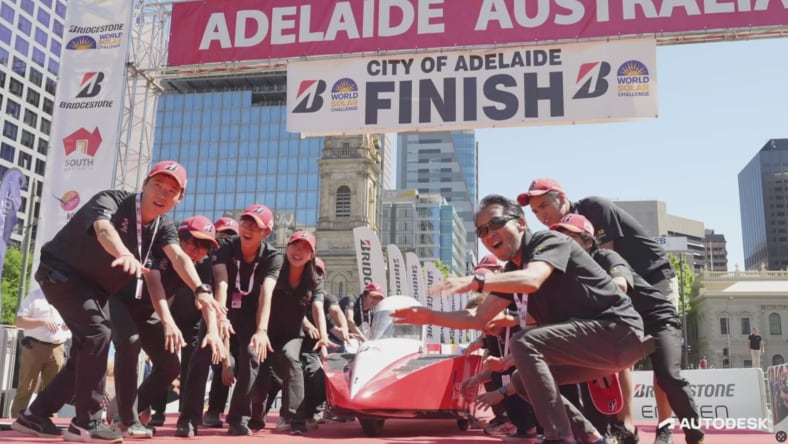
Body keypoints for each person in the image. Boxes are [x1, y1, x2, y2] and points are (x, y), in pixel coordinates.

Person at [392, 194, 655, 444]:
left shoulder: (548, 242)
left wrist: (475, 281)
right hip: (597, 345)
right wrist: (429, 316)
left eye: (495, 223)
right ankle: (590, 436)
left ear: (520, 223)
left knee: (524, 341)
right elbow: (479, 316)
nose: (488, 234)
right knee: (522, 381)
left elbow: (533, 279)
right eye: (481, 231)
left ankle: (559, 437)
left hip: (620, 331)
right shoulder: (511, 271)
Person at [11, 161, 220, 442]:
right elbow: (103, 228)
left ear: (178, 199)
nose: (162, 194)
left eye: (171, 191)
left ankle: (35, 415)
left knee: (86, 353)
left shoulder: (163, 227)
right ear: (145, 184)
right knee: (99, 334)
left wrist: (200, 289)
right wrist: (123, 252)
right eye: (157, 185)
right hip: (61, 273)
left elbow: (179, 257)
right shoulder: (111, 200)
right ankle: (87, 423)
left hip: (96, 289)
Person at [518, 178, 684, 444]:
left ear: (561, 197)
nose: (541, 215)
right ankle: (620, 426)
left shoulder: (594, 209)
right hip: (619, 290)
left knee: (662, 358)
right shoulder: (553, 239)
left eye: (544, 206)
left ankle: (661, 429)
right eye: (535, 212)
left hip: (651, 280)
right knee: (611, 342)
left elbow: (603, 272)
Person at [551, 213, 704, 444]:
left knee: (668, 376)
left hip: (656, 319)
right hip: (625, 325)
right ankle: (615, 431)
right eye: (560, 240)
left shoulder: (605, 256)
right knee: (584, 367)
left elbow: (619, 286)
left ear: (588, 242)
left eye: (570, 239)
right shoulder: (567, 275)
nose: (563, 246)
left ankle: (694, 436)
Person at [108, 215, 225, 437]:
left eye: (207, 246)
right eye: (197, 242)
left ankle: (127, 408)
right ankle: (124, 418)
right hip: (120, 301)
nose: (200, 251)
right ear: (181, 237)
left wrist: (213, 332)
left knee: (171, 365)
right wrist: (167, 322)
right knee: (130, 342)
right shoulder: (158, 247)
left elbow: (205, 299)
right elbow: (154, 285)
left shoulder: (199, 266)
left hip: (146, 313)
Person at [176, 204, 282, 437]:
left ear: (266, 233)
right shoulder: (225, 247)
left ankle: (238, 418)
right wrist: (221, 316)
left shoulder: (273, 257)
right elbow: (221, 280)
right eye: (245, 222)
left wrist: (262, 330)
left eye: (256, 226)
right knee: (204, 350)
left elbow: (267, 292)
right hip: (220, 306)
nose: (248, 228)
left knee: (252, 354)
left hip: (250, 313)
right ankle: (188, 418)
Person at [255, 230, 332, 436]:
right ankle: (252, 416)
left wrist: (323, 336)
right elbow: (267, 292)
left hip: (291, 334)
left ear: (312, 255)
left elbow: (317, 307)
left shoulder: (314, 278)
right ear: (287, 248)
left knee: (292, 360)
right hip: (266, 330)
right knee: (261, 374)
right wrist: (260, 330)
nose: (298, 252)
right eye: (295, 246)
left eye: (305, 248)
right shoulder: (277, 264)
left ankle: (294, 419)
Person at [202, 215, 241, 429]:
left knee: (236, 364)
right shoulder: (203, 262)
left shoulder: (243, 267)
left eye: (230, 237)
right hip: (205, 321)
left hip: (232, 323)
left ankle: (227, 412)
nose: (225, 243)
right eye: (221, 237)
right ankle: (197, 412)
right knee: (217, 364)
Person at [11, 289, 71, 418]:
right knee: (26, 388)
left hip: (58, 348)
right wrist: (42, 322)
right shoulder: (34, 297)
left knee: (53, 391)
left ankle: (49, 422)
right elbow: (19, 322)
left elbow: (76, 318)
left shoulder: (67, 296)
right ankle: (16, 422)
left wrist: (70, 323)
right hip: (34, 347)